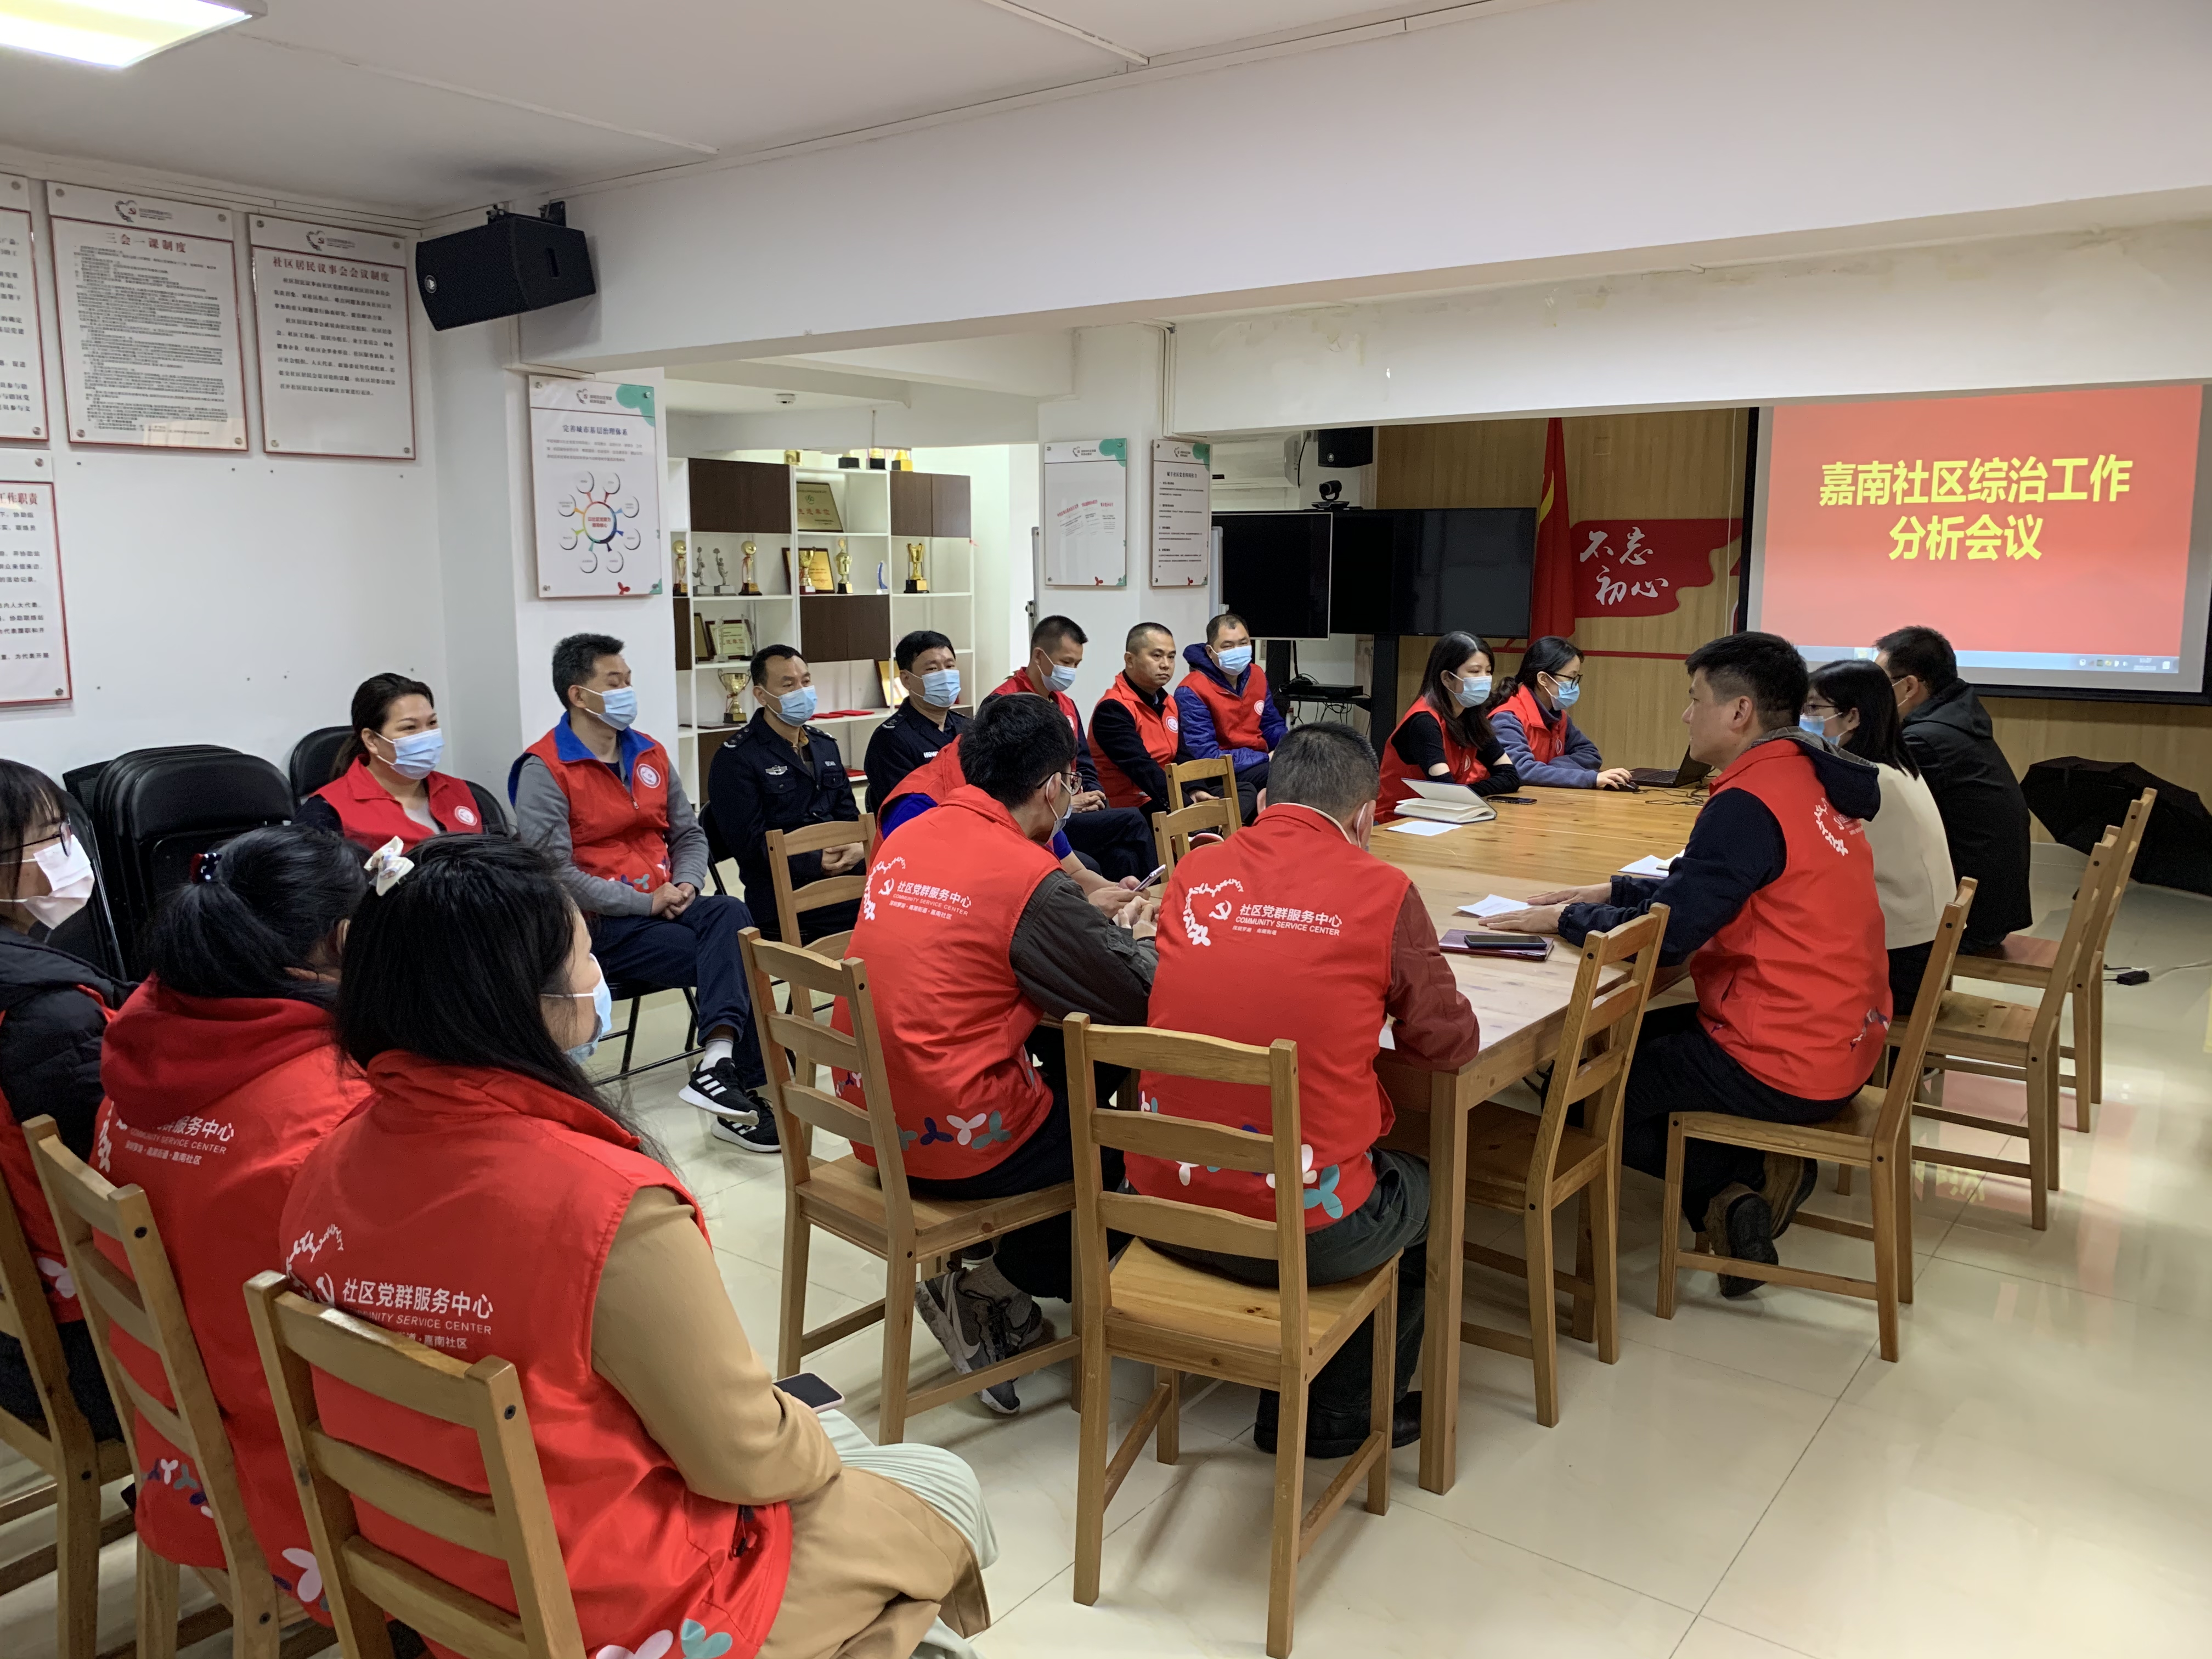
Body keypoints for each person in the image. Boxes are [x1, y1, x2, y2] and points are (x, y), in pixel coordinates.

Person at [278, 835, 996, 1659]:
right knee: (940, 1488)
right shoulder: (604, 1204)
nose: (599, 978)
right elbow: (745, 1459)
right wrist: (808, 1438)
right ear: (523, 1001)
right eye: (586, 955)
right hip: (615, 1606)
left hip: (435, 1575)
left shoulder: (322, 1167)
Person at [1490, 633, 1888, 1296]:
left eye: (1695, 700)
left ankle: (1738, 1183)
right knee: (1603, 1049)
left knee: (1579, 1089)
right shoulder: (1802, 778)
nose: (1685, 715)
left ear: (1739, 712)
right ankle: (1740, 1189)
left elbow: (1670, 936)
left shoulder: (1749, 801)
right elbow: (1711, 886)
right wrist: (1610, 891)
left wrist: (1564, 920)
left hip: (1786, 1056)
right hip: (1844, 1035)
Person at [1136, 723, 1478, 1458]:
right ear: (1365, 818)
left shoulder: (1195, 873)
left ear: (1264, 803)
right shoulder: (1383, 891)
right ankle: (1342, 1411)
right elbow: (1446, 1046)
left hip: (1161, 1204)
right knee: (1432, 1192)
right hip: (1308, 1233)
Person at [836, 693, 1157, 1413]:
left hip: (872, 1115)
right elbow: (1135, 995)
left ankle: (998, 1289)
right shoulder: (1023, 872)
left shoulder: (910, 836)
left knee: (1076, 1082)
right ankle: (986, 1290)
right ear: (1052, 786)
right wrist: (1134, 934)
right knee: (1126, 1156)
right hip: (956, 1136)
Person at [94, 827, 369, 1588]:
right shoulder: (335, 1108)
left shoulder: (141, 1041)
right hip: (297, 1460)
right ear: (344, 941)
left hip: (180, 1417)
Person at [511, 634, 774, 1153]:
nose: (628, 691)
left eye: (628, 680)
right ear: (578, 695)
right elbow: (554, 874)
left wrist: (686, 883)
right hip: (601, 928)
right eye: (614, 683)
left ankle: (718, 1063)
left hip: (668, 904)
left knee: (731, 914)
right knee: (738, 954)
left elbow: (689, 833)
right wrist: (643, 902)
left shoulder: (648, 751)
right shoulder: (545, 768)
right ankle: (742, 1079)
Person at [0, 760, 125, 1442]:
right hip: (84, 1351)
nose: (69, 850)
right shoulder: (46, 1015)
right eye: (50, 836)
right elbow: (109, 1172)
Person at [1803, 659, 1956, 1015]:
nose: (1804, 719)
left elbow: (1814, 859)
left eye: (1813, 709)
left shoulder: (1869, 784)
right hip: (1921, 947)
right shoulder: (1896, 768)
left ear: (1853, 717)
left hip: (1900, 964)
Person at [1875, 625, 2033, 955]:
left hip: (1968, 917)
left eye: (1880, 683)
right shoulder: (1957, 715)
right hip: (1990, 903)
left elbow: (1880, 814)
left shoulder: (1926, 740)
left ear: (1909, 686)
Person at [878, 735, 1144, 915]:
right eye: (1069, 781)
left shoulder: (1016, 787)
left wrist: (1114, 892)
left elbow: (1074, 871)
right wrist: (1082, 911)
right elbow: (961, 908)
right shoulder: (918, 808)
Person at [707, 645, 861, 947]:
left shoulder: (824, 745)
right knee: (889, 913)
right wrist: (815, 861)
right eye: (788, 685)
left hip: (843, 875)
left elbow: (850, 818)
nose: (801, 691)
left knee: (911, 894)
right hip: (780, 892)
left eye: (806, 681)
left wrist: (857, 848)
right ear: (761, 695)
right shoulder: (736, 758)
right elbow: (751, 848)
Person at [983, 615, 1154, 882]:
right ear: (1039, 656)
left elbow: (1083, 761)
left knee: (1123, 857)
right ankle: (1162, 899)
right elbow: (1004, 781)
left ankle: (1127, 903)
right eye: (1065, 662)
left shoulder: (1066, 704)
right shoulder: (1003, 704)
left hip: (1072, 810)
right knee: (1133, 821)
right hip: (1035, 818)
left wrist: (1095, 794)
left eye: (1077, 664)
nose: (1072, 671)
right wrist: (1068, 804)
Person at [297, 673, 508, 851]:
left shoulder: (462, 792)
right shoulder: (328, 810)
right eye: (410, 728)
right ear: (372, 740)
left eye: (432, 723)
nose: (426, 736)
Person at [1091, 622, 1246, 821]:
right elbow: (1143, 769)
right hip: (1134, 805)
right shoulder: (1113, 709)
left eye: (1171, 657)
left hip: (1169, 792)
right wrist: (1186, 806)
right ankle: (1206, 828)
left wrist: (1196, 790)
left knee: (1243, 790)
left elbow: (1181, 754)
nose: (1166, 664)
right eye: (1157, 656)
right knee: (1205, 816)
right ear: (1130, 660)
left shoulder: (1168, 702)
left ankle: (1209, 828)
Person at [1375, 632, 1523, 818]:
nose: (1485, 679)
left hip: (1444, 816)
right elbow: (1446, 791)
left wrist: (1464, 793)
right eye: (1475, 672)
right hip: (1398, 822)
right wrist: (1461, 794)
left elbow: (1510, 776)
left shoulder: (1471, 716)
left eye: (1488, 671)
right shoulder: (1424, 722)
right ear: (1447, 678)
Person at [1489, 636, 1635, 790]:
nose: (1575, 685)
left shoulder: (1558, 715)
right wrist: (1590, 778)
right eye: (1571, 677)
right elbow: (1520, 771)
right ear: (1543, 679)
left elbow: (1590, 754)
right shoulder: (1507, 717)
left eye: (1576, 678)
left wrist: (1554, 769)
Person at [1173, 612, 1285, 799]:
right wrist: (1264, 757)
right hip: (1221, 772)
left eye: (1243, 643)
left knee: (1309, 763)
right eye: (1228, 646)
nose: (1238, 650)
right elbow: (1205, 755)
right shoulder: (1191, 690)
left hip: (1259, 762)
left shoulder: (1256, 674)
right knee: (1285, 774)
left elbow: (1271, 724)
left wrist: (1289, 748)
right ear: (1210, 652)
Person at [863, 630, 968, 815]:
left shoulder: (970, 728)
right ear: (906, 680)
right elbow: (905, 810)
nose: (945, 675)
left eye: (950, 666)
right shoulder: (891, 740)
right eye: (932, 669)